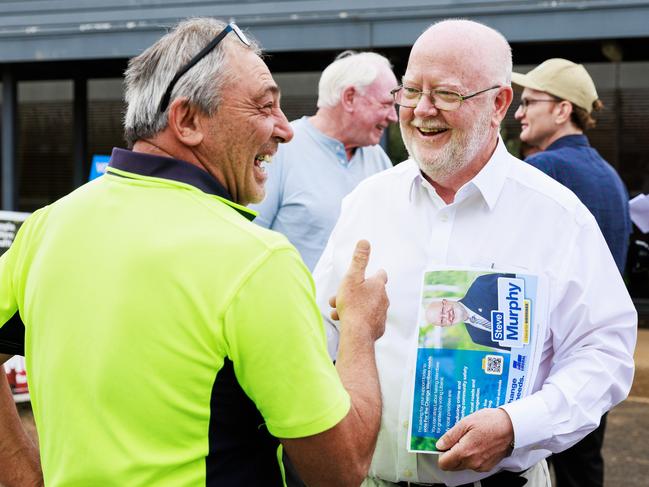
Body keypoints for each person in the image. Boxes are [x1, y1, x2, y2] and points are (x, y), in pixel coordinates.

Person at [0, 18, 390, 486]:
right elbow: (339, 470)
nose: (286, 130)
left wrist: (25, 477)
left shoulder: (48, 225)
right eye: (265, 107)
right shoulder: (257, 259)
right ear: (186, 121)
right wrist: (359, 330)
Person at [313, 19, 636, 487]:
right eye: (411, 91)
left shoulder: (557, 215)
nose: (422, 111)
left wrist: (515, 426)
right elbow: (321, 330)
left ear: (499, 103)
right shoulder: (367, 201)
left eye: (446, 94)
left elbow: (604, 351)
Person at [512, 58, 632, 487]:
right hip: (593, 361)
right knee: (585, 470)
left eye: (529, 102)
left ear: (563, 110)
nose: (518, 112)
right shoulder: (610, 176)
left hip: (547, 370)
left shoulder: (543, 172)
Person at [250, 50, 398, 270]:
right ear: (349, 98)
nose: (393, 117)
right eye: (386, 105)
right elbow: (252, 242)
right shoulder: (280, 150)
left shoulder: (378, 159)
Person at [425, 273, 513, 351]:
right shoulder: (476, 337)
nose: (447, 316)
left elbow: (517, 279)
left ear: (446, 301)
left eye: (443, 310)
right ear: (444, 325)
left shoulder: (480, 286)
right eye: (442, 320)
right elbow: (513, 349)